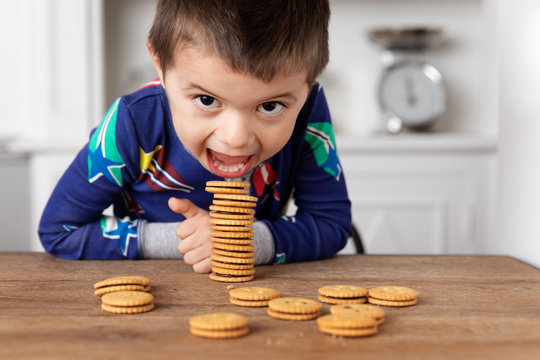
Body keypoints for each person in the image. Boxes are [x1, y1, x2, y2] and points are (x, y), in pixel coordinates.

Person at [39, 0, 352, 273]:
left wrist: (244, 243)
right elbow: (59, 231)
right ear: (160, 64)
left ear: (308, 84)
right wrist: (182, 242)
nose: (236, 138)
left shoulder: (308, 111)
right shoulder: (133, 122)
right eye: (206, 100)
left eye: (270, 106)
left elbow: (332, 224)